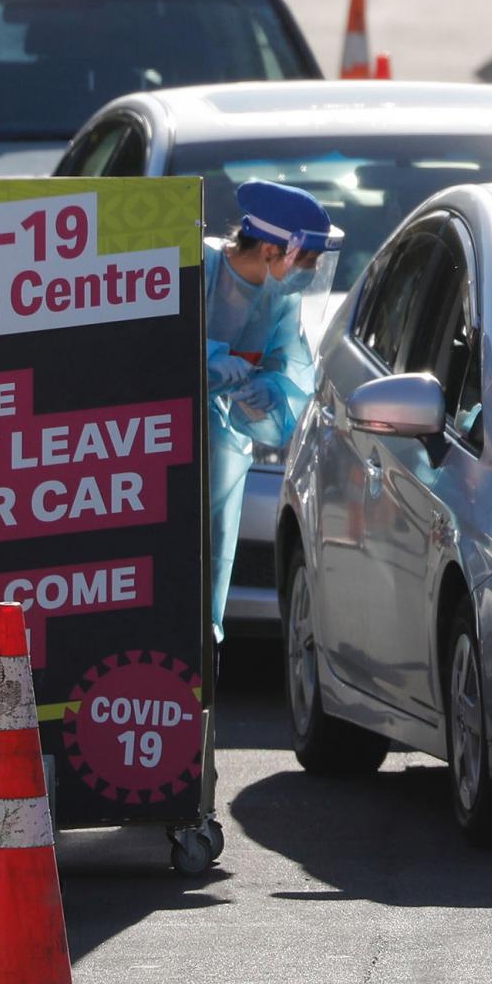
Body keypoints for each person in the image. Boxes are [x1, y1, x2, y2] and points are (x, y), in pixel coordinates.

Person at [203, 179, 340, 645]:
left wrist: (266, 392)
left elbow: (293, 377)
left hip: (219, 459)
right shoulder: (196, 268)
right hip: (155, 447)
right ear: (268, 248)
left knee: (206, 576)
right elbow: (147, 348)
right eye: (306, 260)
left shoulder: (280, 301)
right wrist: (206, 358)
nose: (310, 272)